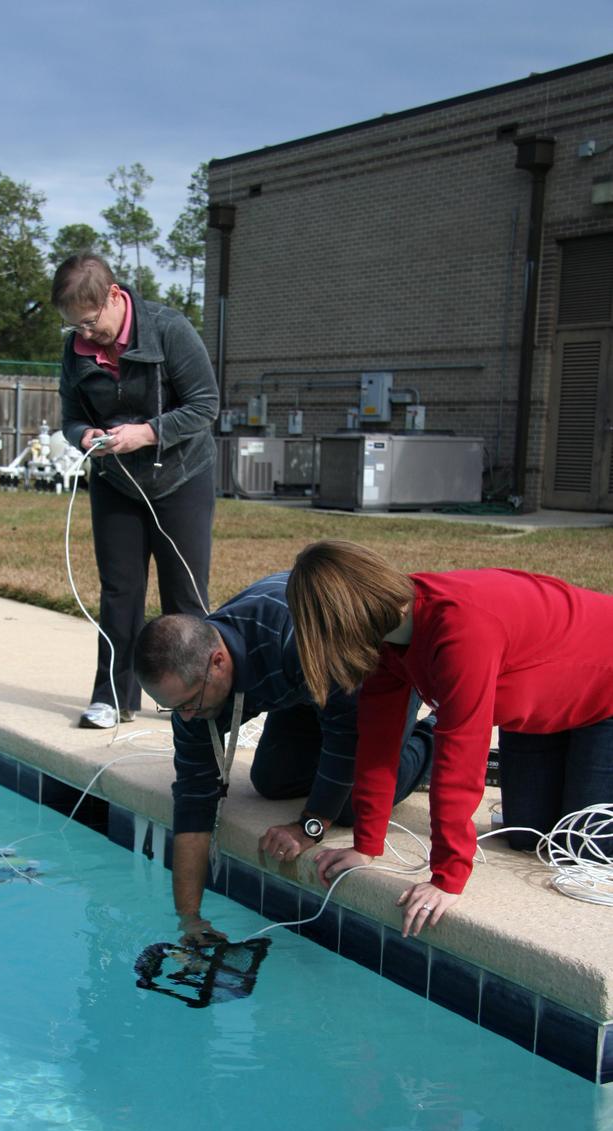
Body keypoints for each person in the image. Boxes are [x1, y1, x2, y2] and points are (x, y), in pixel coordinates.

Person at [286, 540, 613, 939]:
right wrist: (365, 845)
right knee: (528, 835)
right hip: (542, 708)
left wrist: (448, 877)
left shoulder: (462, 630)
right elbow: (377, 743)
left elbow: (460, 759)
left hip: (604, 695)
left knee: (584, 850)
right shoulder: (387, 641)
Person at [133, 572, 435, 943]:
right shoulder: (191, 690)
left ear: (218, 662)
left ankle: (431, 738)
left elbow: (346, 734)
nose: (187, 718)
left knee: (351, 807)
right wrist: (190, 920)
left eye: (190, 704)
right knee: (272, 781)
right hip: (308, 687)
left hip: (374, 671)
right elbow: (194, 801)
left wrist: (311, 826)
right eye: (172, 708)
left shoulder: (291, 641)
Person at [52, 254, 219, 729]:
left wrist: (147, 432)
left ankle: (196, 700)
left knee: (184, 594)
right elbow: (70, 418)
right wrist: (83, 436)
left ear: (113, 296)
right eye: (73, 326)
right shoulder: (76, 350)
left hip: (182, 478)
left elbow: (206, 405)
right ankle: (112, 698)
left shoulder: (169, 329)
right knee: (120, 592)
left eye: (89, 322)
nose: (84, 335)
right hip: (115, 483)